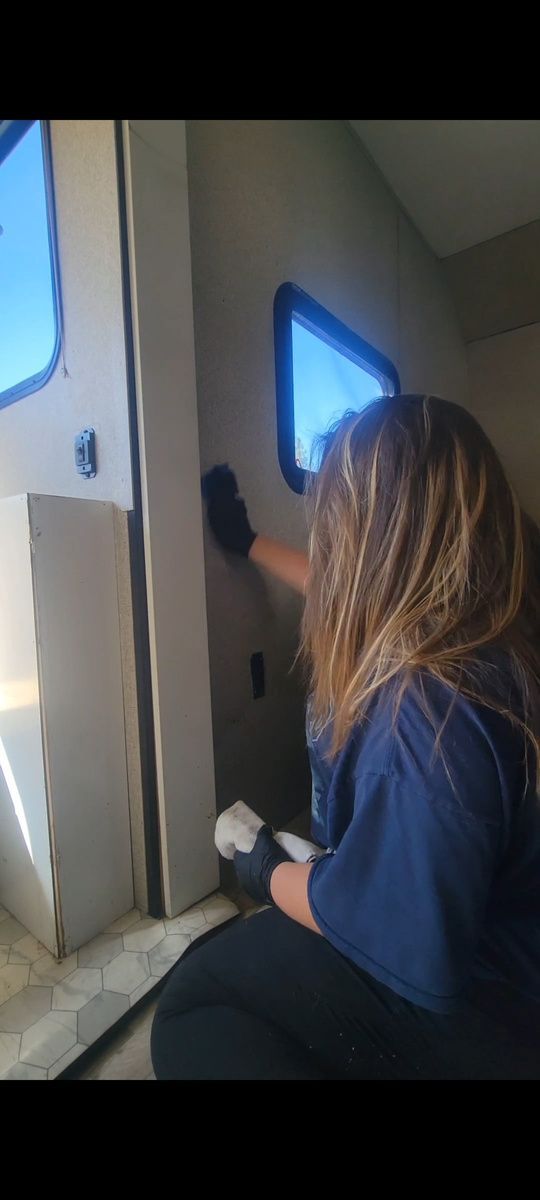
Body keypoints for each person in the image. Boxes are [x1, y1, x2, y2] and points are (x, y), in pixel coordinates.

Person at [151, 393, 540, 1079]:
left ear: (372, 540)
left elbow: (385, 929)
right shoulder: (497, 631)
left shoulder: (429, 713)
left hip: (496, 1006)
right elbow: (350, 592)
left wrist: (266, 871)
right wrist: (246, 543)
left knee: (193, 1000)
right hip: (517, 944)